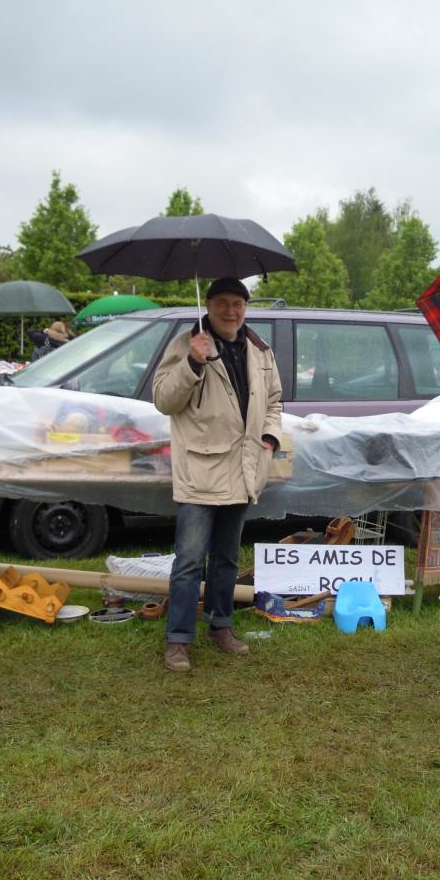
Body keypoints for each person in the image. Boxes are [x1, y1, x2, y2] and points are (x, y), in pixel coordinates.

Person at [152, 277, 283, 672]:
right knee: (189, 560)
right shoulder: (185, 344)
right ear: (207, 305)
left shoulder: (260, 350)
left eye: (238, 303)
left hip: (244, 468)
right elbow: (164, 401)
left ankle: (221, 625)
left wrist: (269, 439)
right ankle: (178, 640)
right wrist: (193, 362)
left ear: (247, 307)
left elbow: (275, 401)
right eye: (223, 303)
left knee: (226, 558)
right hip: (201, 470)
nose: (231, 311)